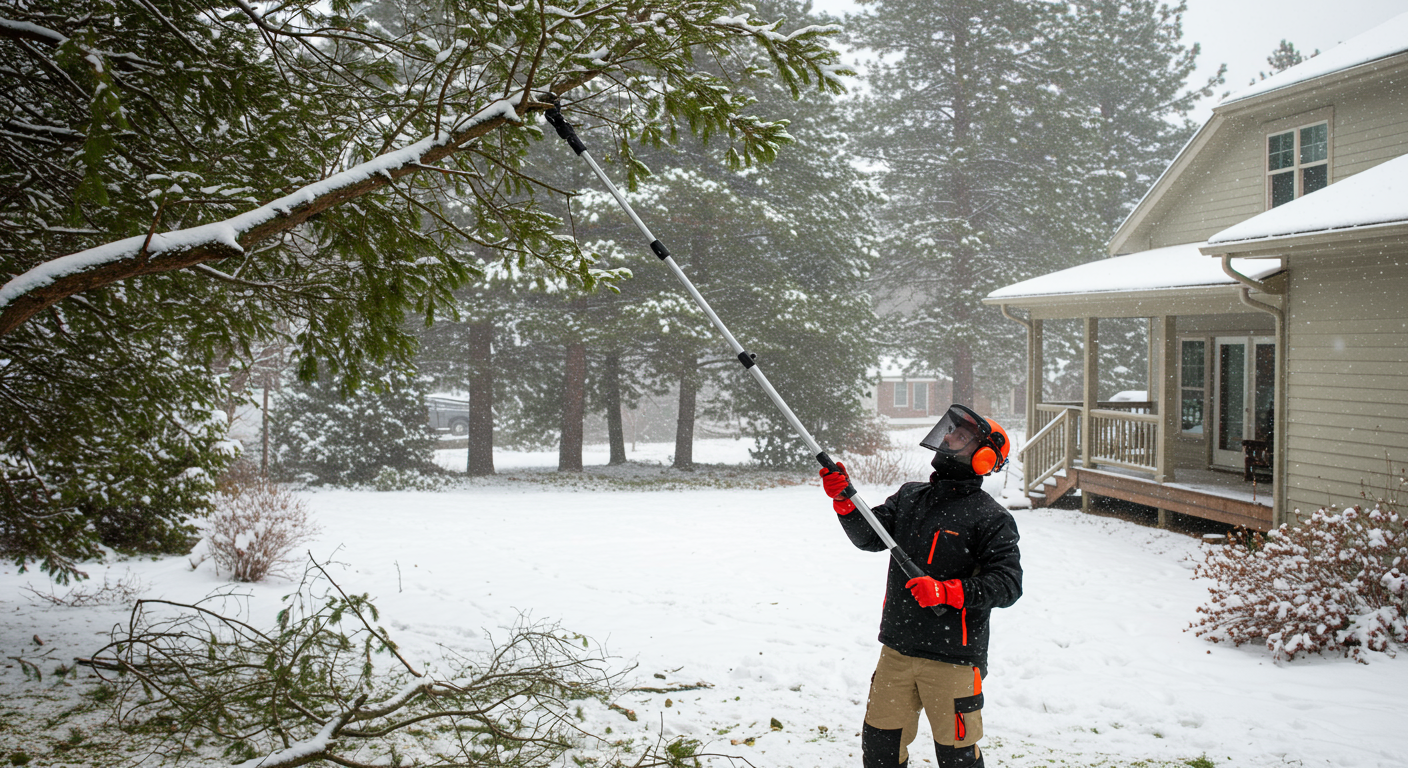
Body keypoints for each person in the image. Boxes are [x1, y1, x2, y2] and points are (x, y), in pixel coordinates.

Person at [820, 404, 1022, 768]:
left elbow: (1008, 584)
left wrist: (948, 592)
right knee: (881, 748)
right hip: (897, 649)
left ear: (984, 457)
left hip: (954, 660)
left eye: (960, 436)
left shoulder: (991, 517)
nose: (947, 437)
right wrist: (845, 501)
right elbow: (870, 536)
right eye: (950, 431)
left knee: (957, 756)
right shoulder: (912, 496)